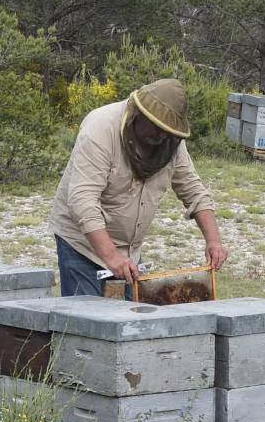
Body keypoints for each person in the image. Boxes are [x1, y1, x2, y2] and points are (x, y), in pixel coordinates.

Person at [50, 78, 227, 298]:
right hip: (82, 246)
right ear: (139, 114)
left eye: (168, 130)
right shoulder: (100, 128)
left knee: (129, 324)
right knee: (85, 326)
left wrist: (213, 241)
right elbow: (82, 200)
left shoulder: (171, 141)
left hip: (128, 254)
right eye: (157, 126)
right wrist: (111, 256)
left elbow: (193, 189)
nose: (162, 135)